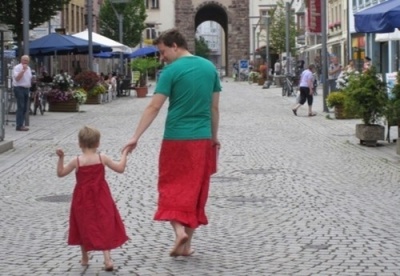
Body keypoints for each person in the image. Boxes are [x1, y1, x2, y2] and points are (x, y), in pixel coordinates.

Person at [123, 28, 221, 257]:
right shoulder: (210, 68)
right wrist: (214, 138)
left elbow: (154, 106)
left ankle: (179, 232)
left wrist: (135, 136)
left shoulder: (170, 71)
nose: (161, 57)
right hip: (202, 138)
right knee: (195, 190)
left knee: (171, 186)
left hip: (176, 138)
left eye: (163, 51)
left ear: (175, 45)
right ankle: (186, 247)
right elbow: (214, 108)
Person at [56, 126, 129, 271]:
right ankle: (107, 259)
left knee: (83, 224)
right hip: (102, 197)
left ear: (80, 144)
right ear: (98, 143)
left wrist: (61, 158)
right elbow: (120, 168)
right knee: (103, 223)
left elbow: (61, 173)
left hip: (82, 200)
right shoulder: (102, 158)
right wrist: (125, 154)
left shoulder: (76, 161)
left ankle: (84, 257)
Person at [12, 55, 32, 131]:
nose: (25, 62)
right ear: (21, 60)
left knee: (25, 108)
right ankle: (19, 125)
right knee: (21, 106)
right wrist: (23, 70)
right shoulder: (17, 68)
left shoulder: (29, 68)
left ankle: (22, 124)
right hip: (19, 88)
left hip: (26, 89)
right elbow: (17, 78)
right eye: (24, 60)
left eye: (27, 60)